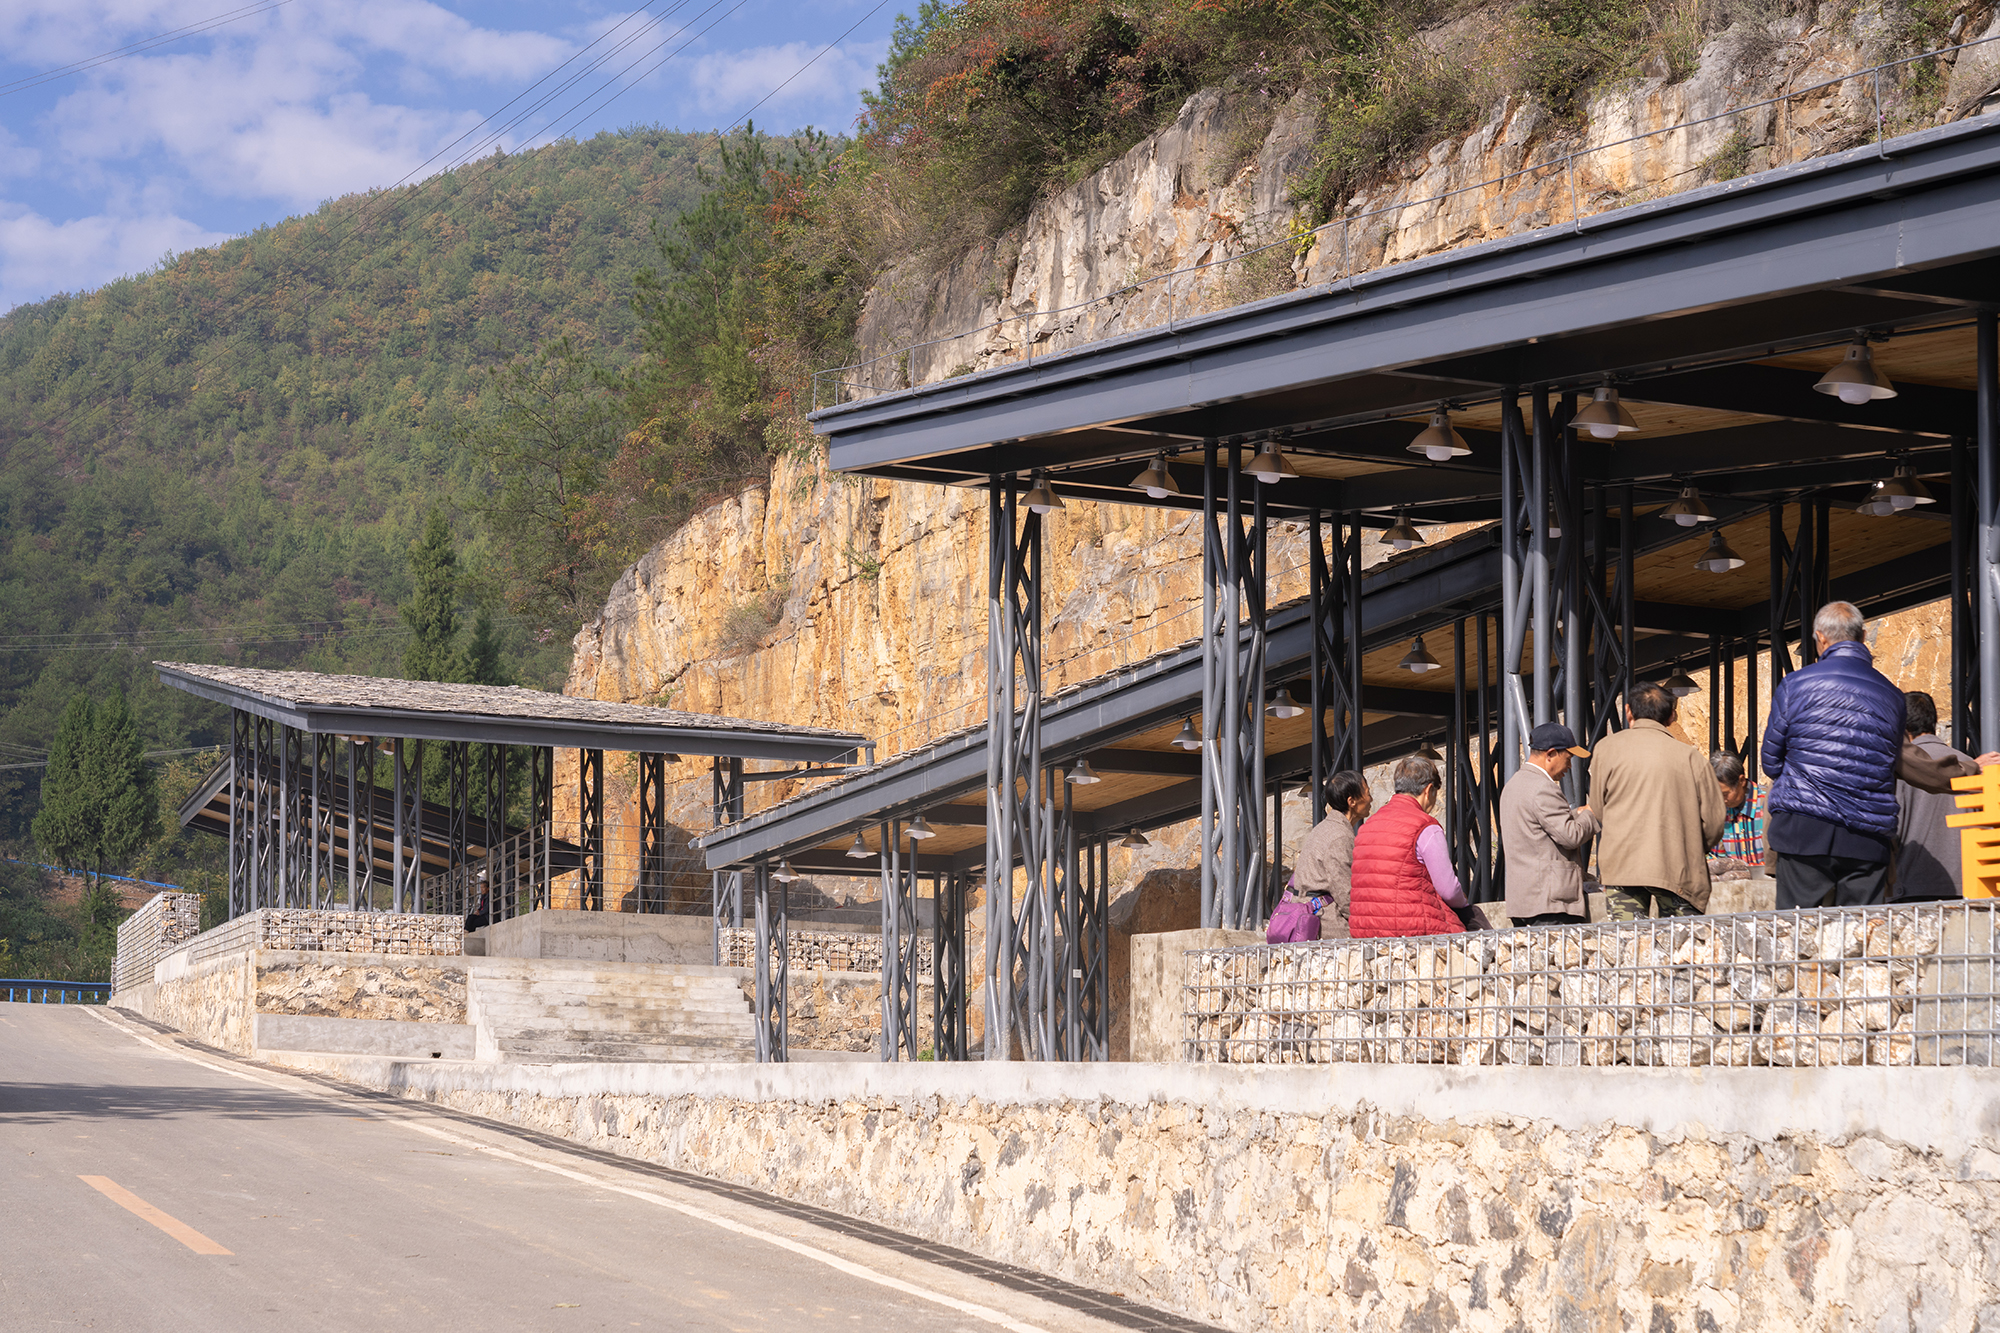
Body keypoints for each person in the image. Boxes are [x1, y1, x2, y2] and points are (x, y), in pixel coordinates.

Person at [1762, 602, 1907, 909]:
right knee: (1859, 938)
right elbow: (1892, 761)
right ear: (1863, 636)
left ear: (1821, 639)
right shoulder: (1893, 696)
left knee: (1798, 936)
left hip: (1804, 829)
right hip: (1867, 836)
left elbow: (1770, 760)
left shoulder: (1795, 685)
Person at [1589, 682, 1726, 919]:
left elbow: (1599, 810)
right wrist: (1690, 847)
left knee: (1628, 947)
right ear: (1672, 716)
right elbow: (1714, 822)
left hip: (1622, 868)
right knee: (1681, 949)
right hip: (1677, 869)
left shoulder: (1605, 749)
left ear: (1628, 711)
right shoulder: (1692, 758)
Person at [1349, 755, 1468, 938]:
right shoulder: (1426, 827)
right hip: (1412, 932)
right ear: (1429, 790)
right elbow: (1448, 890)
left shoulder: (1367, 827)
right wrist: (1465, 906)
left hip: (1366, 933)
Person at [1499, 722, 1600, 926]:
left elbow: (1538, 827)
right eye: (1568, 759)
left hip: (1524, 901)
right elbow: (1570, 836)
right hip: (1550, 904)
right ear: (1551, 754)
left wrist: (1574, 813)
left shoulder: (1512, 786)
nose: (1570, 767)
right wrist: (1590, 814)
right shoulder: (1543, 788)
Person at [1893, 691, 1979, 901]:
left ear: (1902, 727)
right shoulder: (1969, 763)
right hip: (1968, 888)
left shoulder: (1901, 767)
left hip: (1911, 888)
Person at [1270, 769, 1370, 941]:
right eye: (1367, 793)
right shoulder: (1339, 837)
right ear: (1352, 801)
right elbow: (1345, 895)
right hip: (1326, 927)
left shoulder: (1323, 828)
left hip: (1305, 914)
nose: (1370, 799)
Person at [1708, 750, 1767, 877]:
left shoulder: (1768, 804)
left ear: (1741, 781)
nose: (1722, 800)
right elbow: (1716, 857)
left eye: (1725, 794)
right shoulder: (1717, 810)